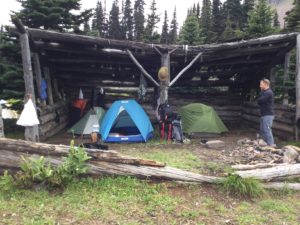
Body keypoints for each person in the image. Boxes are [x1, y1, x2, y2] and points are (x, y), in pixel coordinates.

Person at [257, 78, 275, 146]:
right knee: (262, 130)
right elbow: (259, 101)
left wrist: (259, 100)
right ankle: (265, 144)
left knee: (267, 130)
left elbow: (260, 101)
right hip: (264, 114)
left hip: (268, 115)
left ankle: (271, 144)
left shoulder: (268, 92)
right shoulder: (264, 92)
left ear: (266, 84)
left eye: (261, 84)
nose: (260, 86)